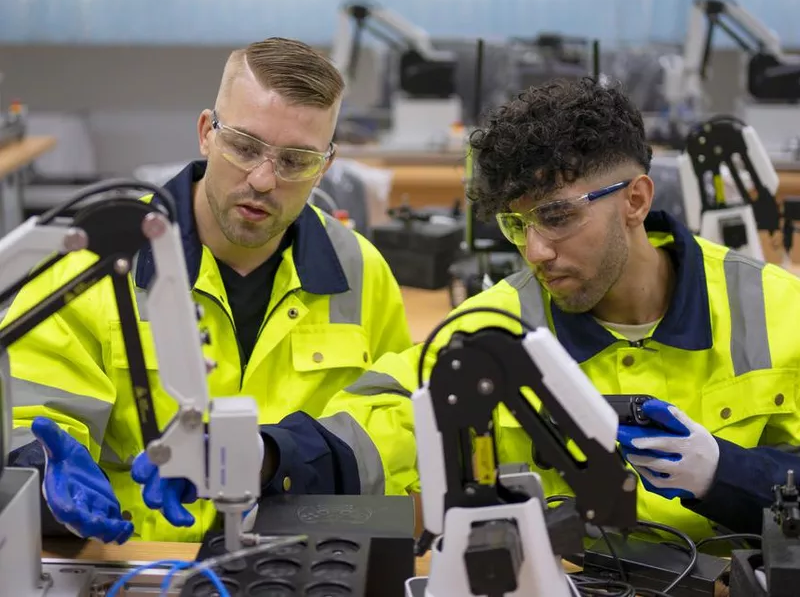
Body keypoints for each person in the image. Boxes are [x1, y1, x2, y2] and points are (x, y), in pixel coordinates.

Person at [335, 76, 800, 541]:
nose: (535, 252)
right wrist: (278, 456)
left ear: (635, 201)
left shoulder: (779, 308)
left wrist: (725, 472)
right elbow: (382, 418)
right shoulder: (495, 324)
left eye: (557, 217)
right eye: (516, 225)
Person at [2, 37, 416, 543]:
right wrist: (41, 474)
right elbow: (27, 409)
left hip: (298, 558)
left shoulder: (360, 270)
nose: (264, 180)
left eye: (296, 160)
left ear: (325, 166)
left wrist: (275, 456)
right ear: (206, 133)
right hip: (135, 561)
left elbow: (398, 427)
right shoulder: (98, 257)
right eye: (244, 146)